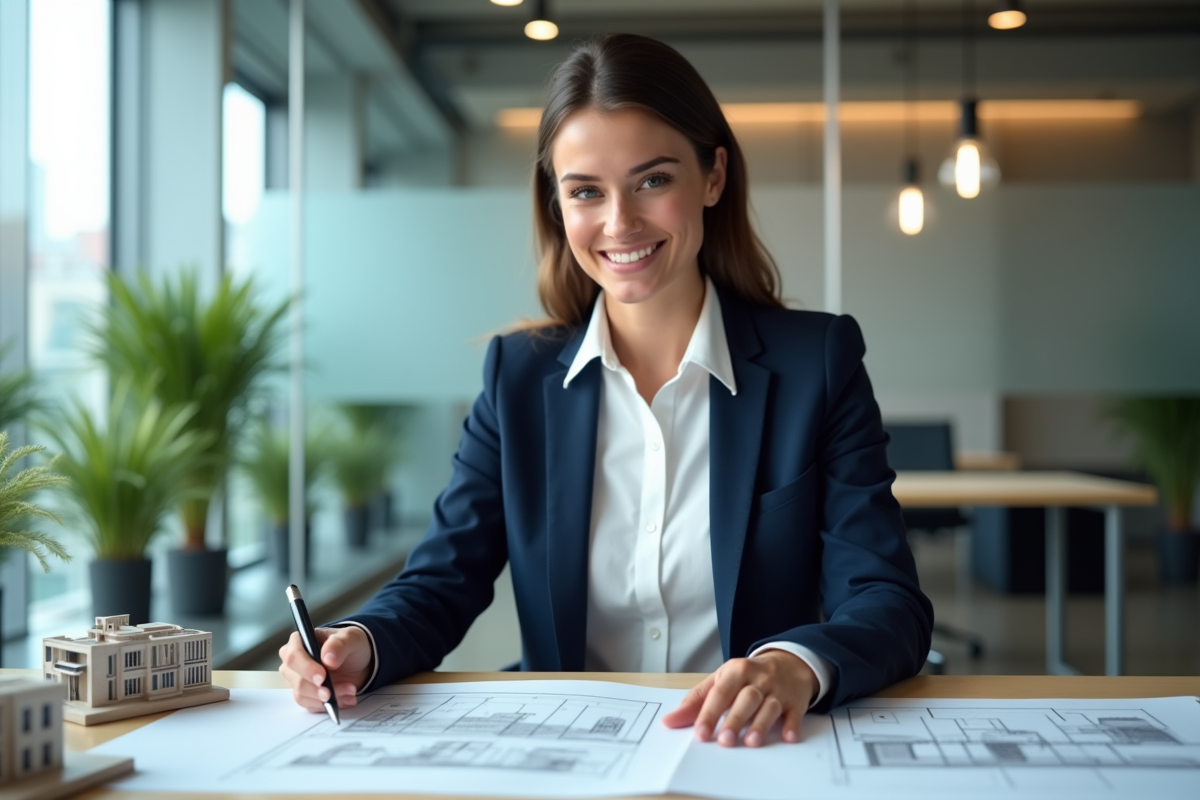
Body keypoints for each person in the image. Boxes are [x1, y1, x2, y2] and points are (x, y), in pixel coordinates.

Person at [279, 33, 933, 748]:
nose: (620, 223)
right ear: (557, 206)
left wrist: (792, 667)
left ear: (713, 176)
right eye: (586, 191)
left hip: (749, 749)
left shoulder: (819, 363)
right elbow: (443, 579)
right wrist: (355, 646)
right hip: (571, 748)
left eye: (653, 180)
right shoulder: (519, 375)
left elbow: (885, 599)